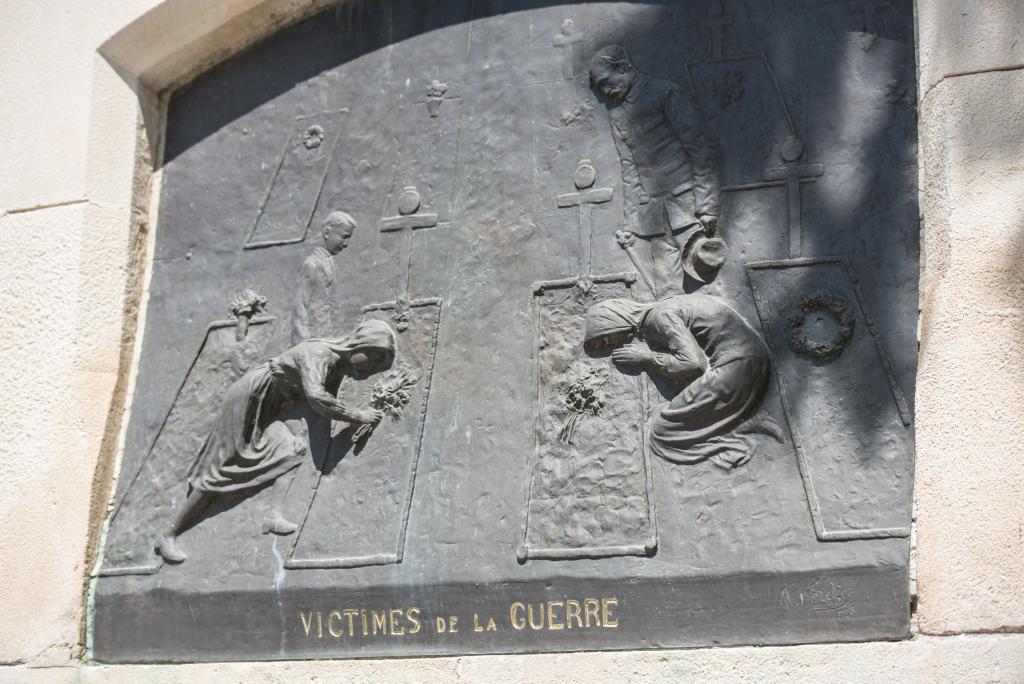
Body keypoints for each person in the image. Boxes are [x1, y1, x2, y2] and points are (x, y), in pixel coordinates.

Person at [155, 319, 395, 564]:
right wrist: (356, 415)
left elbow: (318, 409)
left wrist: (306, 432)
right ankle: (168, 533)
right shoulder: (320, 354)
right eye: (373, 356)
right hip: (250, 399)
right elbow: (316, 398)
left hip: (275, 403)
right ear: (359, 343)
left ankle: (273, 516)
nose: (374, 365)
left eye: (379, 362)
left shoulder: (337, 366)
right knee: (223, 467)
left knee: (291, 451)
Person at [584, 296, 781, 469]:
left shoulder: (658, 318)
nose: (609, 345)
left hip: (739, 367)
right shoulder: (660, 313)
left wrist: (646, 358)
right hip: (749, 363)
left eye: (606, 337)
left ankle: (735, 441)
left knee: (662, 431)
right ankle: (744, 421)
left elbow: (694, 364)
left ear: (615, 321)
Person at [589, 45, 725, 294]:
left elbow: (701, 148)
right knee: (665, 292)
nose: (604, 92)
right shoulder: (617, 114)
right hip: (653, 217)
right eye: (598, 88)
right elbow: (629, 170)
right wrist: (631, 224)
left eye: (605, 82)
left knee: (707, 287)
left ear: (622, 68)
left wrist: (707, 207)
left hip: (689, 211)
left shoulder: (666, 92)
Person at [291, 211, 356, 345]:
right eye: (344, 237)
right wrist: (302, 346)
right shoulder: (311, 264)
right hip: (313, 342)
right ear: (327, 233)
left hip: (328, 338)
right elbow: (300, 307)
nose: (346, 244)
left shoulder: (330, 262)